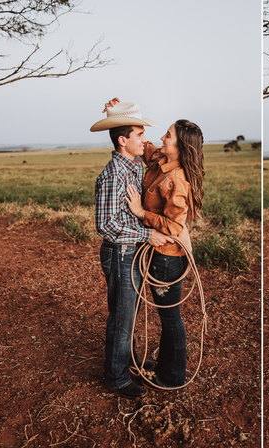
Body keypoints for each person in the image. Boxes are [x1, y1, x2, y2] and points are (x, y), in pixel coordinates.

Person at [91, 100, 167, 398]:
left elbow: (155, 156)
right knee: (122, 317)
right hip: (120, 251)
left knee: (129, 313)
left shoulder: (132, 164)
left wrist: (118, 108)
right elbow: (106, 224)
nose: (144, 139)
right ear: (123, 141)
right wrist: (146, 234)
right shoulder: (113, 174)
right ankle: (116, 376)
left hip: (128, 251)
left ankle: (129, 361)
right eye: (138, 134)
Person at [124, 115, 206, 392]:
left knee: (170, 318)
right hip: (162, 253)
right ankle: (166, 368)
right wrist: (117, 114)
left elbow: (172, 226)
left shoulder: (177, 180)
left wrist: (140, 212)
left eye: (168, 135)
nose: (162, 138)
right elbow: (143, 145)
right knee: (168, 316)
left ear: (181, 147)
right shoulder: (162, 159)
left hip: (168, 256)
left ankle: (173, 376)